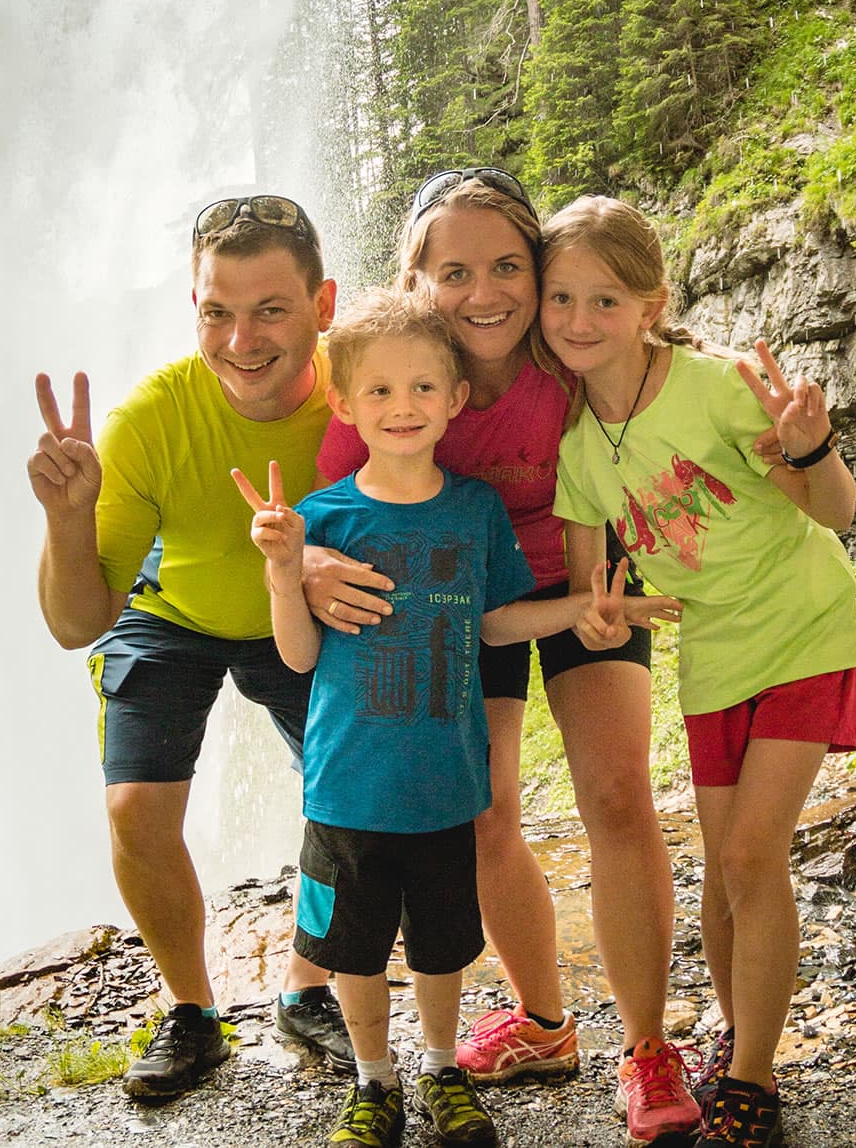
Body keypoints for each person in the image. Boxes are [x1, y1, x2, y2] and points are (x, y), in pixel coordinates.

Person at [307, 169, 700, 1144]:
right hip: (454, 596)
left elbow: (660, 387)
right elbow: (324, 506)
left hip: (581, 578)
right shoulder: (391, 375)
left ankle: (647, 1049)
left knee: (614, 792)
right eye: (454, 270)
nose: (483, 292)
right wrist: (311, 565)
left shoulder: (564, 357)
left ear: (536, 269)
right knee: (484, 815)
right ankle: (546, 1023)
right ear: (416, 277)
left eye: (505, 266)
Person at [242, 289, 656, 1148]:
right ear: (346, 405)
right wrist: (286, 572)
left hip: (446, 781)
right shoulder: (321, 519)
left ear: (455, 399)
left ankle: (438, 1069)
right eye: (382, 393)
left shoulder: (474, 508)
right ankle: (373, 1081)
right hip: (347, 787)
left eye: (423, 389)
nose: (404, 408)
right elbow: (297, 657)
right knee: (352, 950)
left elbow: (496, 620)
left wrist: (581, 609)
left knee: (439, 946)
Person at [538, 196, 856, 1148]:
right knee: (724, 873)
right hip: (713, 652)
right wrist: (600, 616)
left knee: (754, 854)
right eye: (561, 298)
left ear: (653, 306)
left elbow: (833, 509)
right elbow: (588, 584)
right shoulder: (576, 450)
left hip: (803, 623)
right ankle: (734, 1041)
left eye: (605, 300)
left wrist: (813, 444)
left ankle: (753, 1084)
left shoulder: (719, 386)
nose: (577, 321)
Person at [27, 194, 356, 1100]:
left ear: (323, 307)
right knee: (136, 809)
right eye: (217, 311)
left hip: (302, 602)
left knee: (352, 790)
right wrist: (66, 520)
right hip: (170, 609)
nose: (240, 340)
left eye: (270, 310)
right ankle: (192, 1012)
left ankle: (309, 989)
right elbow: (75, 622)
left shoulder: (364, 396)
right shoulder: (151, 419)